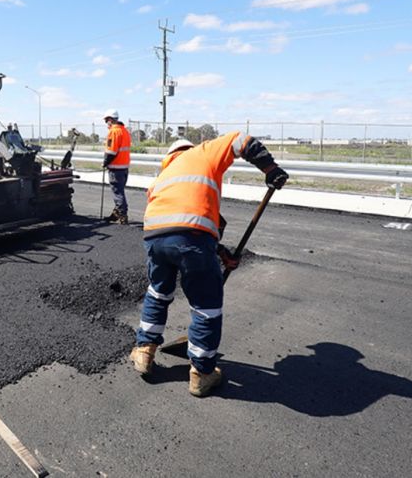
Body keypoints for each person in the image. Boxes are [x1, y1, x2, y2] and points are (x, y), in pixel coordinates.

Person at [129, 132, 288, 397]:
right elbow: (241, 141)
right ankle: (202, 373)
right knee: (206, 306)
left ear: (169, 156)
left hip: (154, 236)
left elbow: (182, 222)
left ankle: (144, 351)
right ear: (189, 148)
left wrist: (221, 253)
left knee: (158, 292)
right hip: (191, 238)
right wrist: (270, 169)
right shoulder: (202, 153)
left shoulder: (162, 177)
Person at [102, 110, 131, 223]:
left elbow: (111, 152)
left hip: (115, 167)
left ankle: (123, 215)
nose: (106, 124)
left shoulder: (113, 132)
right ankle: (116, 213)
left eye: (106, 121)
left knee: (117, 192)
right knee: (120, 191)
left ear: (110, 119)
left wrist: (105, 162)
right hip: (124, 167)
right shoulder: (125, 131)